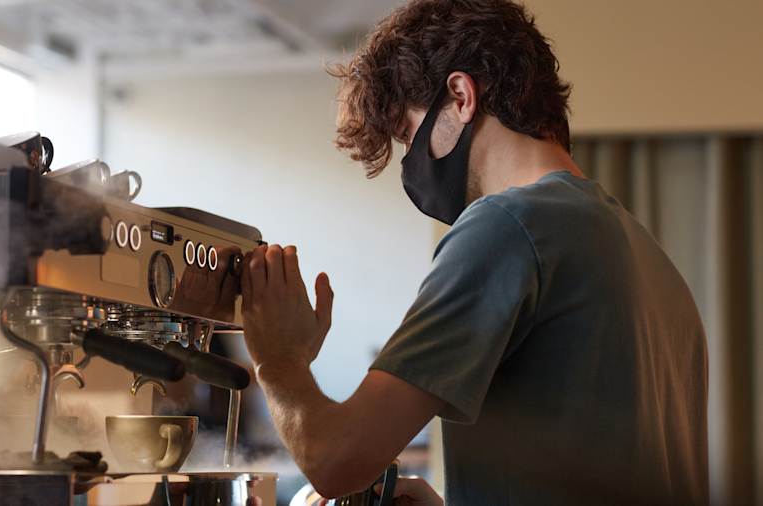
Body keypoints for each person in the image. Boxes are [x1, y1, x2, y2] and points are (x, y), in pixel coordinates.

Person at [239, 0, 709, 505]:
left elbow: (334, 462)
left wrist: (278, 360)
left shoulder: (508, 227)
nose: (410, 164)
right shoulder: (648, 259)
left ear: (462, 96)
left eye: (407, 134)